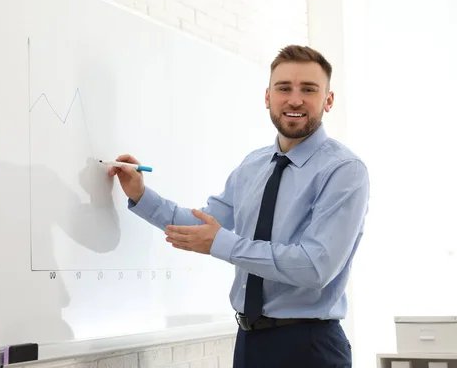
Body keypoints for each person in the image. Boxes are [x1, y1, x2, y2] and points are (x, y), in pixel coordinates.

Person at [107, 45, 369, 368]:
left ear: (328, 100)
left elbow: (315, 266)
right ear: (268, 98)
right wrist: (141, 194)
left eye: (309, 89)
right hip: (248, 343)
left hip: (309, 347)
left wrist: (224, 244)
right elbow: (202, 225)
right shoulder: (252, 167)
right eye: (283, 88)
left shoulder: (344, 171)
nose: (295, 99)